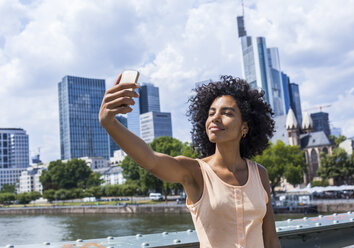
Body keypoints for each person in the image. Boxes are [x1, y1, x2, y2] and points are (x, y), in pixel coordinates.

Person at [99, 74, 281, 248]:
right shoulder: (195, 171)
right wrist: (110, 123)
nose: (215, 118)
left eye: (226, 113)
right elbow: (151, 160)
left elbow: (271, 239)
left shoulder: (260, 173)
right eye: (211, 113)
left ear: (244, 127)